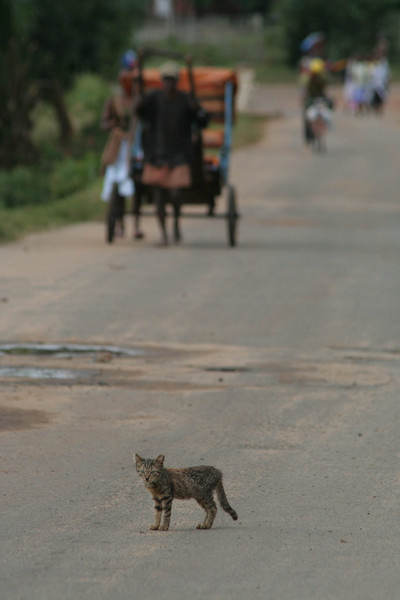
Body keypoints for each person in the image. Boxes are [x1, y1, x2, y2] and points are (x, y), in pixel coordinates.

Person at [134, 60, 208, 245]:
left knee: (175, 193)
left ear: (177, 81)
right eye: (166, 79)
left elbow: (202, 121)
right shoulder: (152, 98)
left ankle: (175, 223)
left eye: (172, 79)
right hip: (156, 154)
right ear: (162, 81)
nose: (169, 83)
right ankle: (164, 234)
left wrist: (197, 110)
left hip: (179, 154)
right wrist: (139, 102)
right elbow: (139, 113)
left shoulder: (186, 100)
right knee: (158, 196)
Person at [100, 50, 144, 239]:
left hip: (139, 144)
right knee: (119, 187)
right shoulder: (114, 100)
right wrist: (115, 125)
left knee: (138, 186)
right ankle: (120, 225)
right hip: (120, 148)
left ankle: (136, 225)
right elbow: (103, 123)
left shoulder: (142, 99)